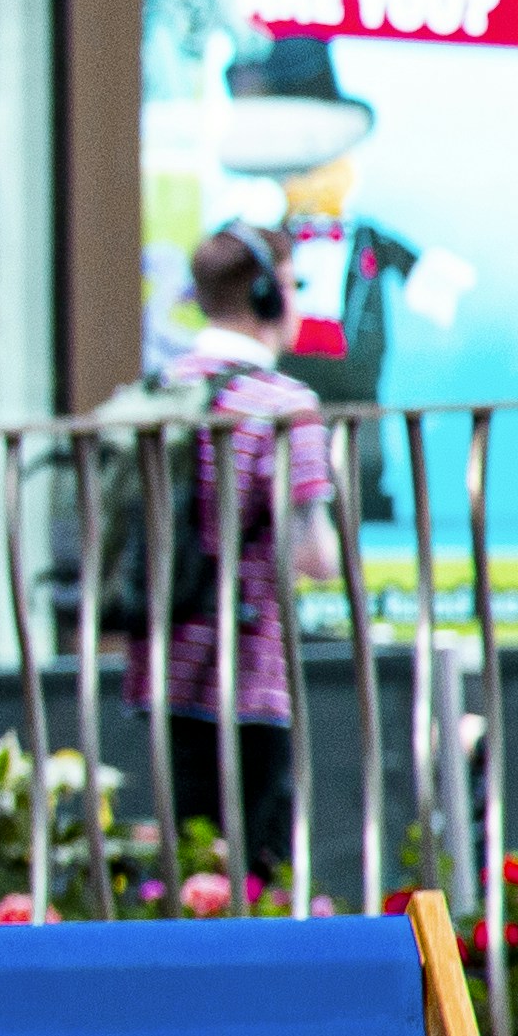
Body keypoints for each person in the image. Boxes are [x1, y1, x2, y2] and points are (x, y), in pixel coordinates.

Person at [147, 222, 343, 879]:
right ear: (266, 296)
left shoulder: (158, 390)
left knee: (185, 873)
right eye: (292, 285)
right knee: (259, 877)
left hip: (161, 669)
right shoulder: (283, 404)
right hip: (251, 675)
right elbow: (313, 557)